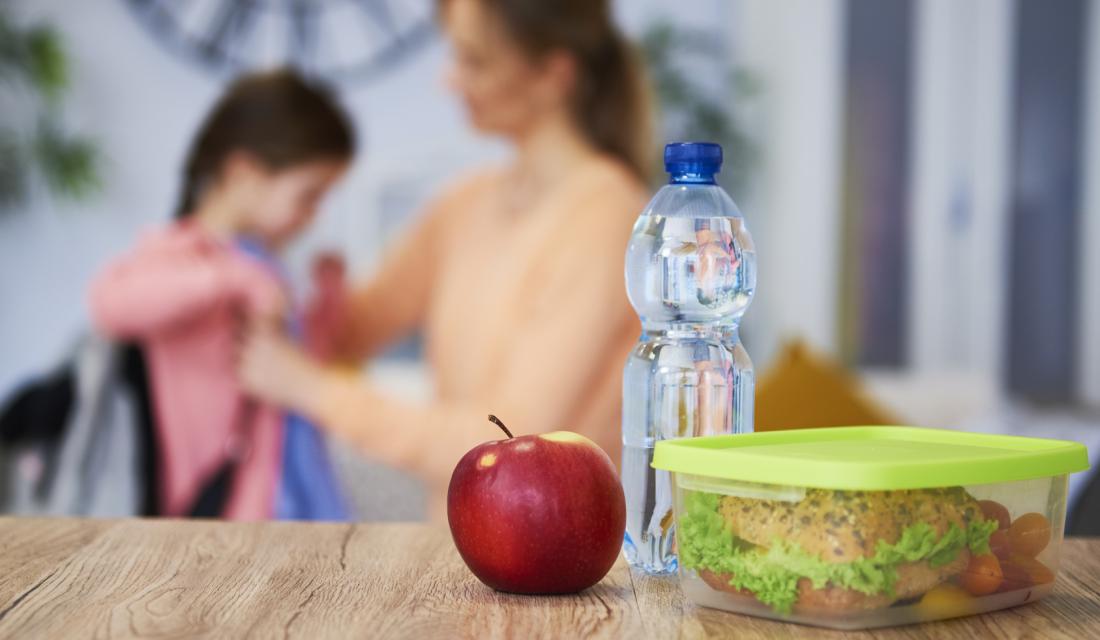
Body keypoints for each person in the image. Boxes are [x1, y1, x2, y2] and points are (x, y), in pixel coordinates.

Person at [239, 0, 653, 519]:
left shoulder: (608, 217)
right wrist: (253, 235)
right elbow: (349, 329)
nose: (448, 81)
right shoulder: (465, 204)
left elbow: (512, 442)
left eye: (473, 61)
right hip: (461, 546)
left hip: (563, 562)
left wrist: (310, 389)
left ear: (552, 75)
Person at [89, 69, 354, 520]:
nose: (313, 216)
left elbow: (299, 370)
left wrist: (328, 304)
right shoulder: (184, 253)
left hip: (300, 491)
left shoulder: (264, 264)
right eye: (308, 195)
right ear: (243, 174)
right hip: (232, 508)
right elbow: (109, 304)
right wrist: (228, 280)